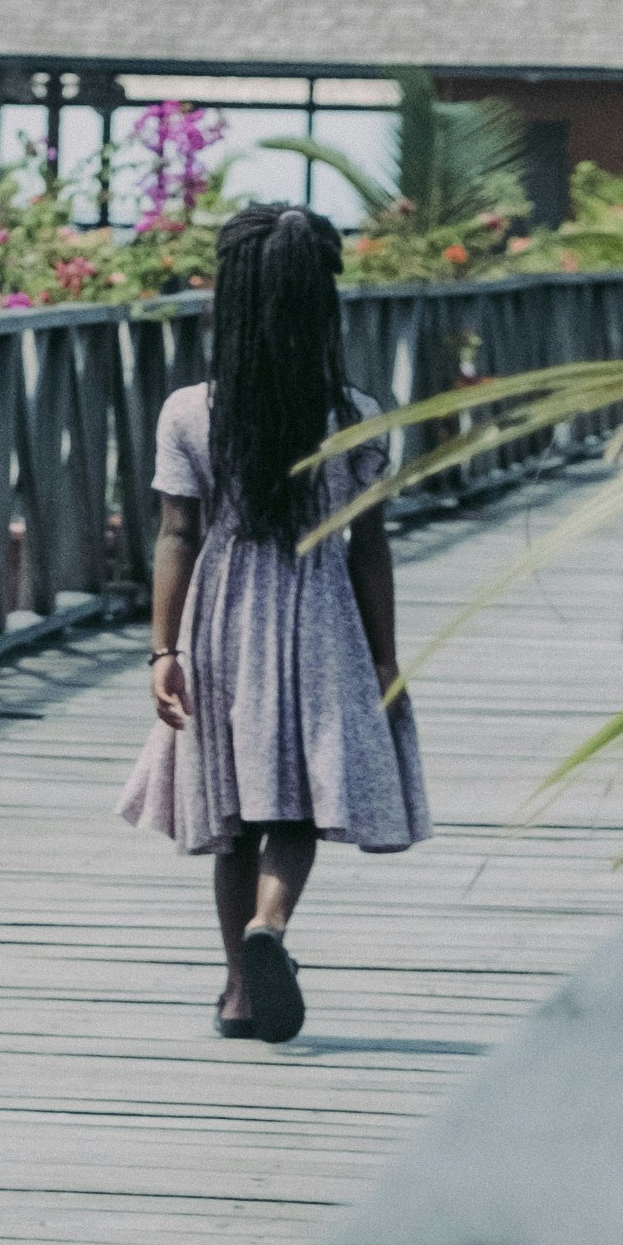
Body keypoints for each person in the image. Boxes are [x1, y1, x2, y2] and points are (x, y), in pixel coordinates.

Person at [120, 201, 428, 1035]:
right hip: (320, 618)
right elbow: (369, 546)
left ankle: (239, 991)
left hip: (220, 621)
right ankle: (271, 925)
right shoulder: (354, 416)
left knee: (230, 818)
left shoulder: (190, 412)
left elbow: (176, 535)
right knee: (296, 806)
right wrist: (385, 658)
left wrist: (163, 650)